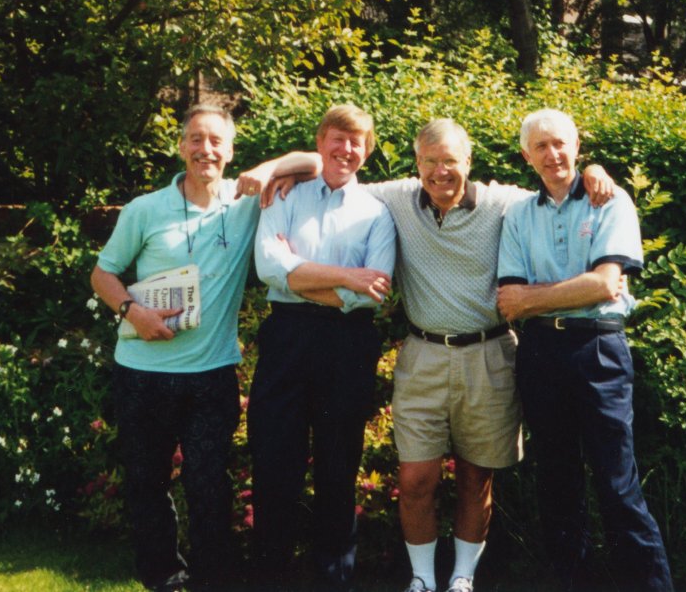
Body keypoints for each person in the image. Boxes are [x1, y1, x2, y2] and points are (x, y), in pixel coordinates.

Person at [357, 119, 614, 592]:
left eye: (450, 161)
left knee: (478, 477)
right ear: (417, 164)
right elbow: (337, 170)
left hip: (490, 352)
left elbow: (558, 182)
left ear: (468, 162)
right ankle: (421, 580)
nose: (440, 172)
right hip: (422, 355)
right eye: (429, 162)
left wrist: (594, 170)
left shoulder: (502, 203)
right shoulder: (394, 198)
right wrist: (285, 168)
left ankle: (461, 578)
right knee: (416, 477)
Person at [90, 104, 321, 592]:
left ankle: (214, 579)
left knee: (208, 483)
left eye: (216, 141)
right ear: (181, 147)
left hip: (211, 374)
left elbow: (314, 162)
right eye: (196, 139)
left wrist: (266, 169)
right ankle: (165, 576)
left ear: (231, 150)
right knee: (147, 482)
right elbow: (102, 274)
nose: (206, 150)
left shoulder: (244, 204)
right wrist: (134, 313)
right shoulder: (145, 210)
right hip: (142, 371)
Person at [496, 109, 673, 592]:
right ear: (526, 156)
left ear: (578, 147)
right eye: (541, 147)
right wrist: (566, 292)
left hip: (598, 350)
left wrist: (540, 295)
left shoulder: (610, 201)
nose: (553, 154)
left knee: (617, 485)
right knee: (556, 483)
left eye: (560, 144)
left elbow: (604, 284)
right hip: (539, 354)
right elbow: (509, 300)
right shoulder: (517, 215)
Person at [249, 103, 398, 592]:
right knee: (275, 462)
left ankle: (335, 580)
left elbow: (371, 291)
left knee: (339, 465)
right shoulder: (286, 195)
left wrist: (305, 277)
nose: (346, 149)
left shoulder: (378, 213)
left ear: (367, 151)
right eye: (338, 138)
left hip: (347, 344)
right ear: (320, 142)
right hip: (286, 337)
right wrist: (343, 279)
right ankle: (270, 576)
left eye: (357, 141)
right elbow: (270, 264)